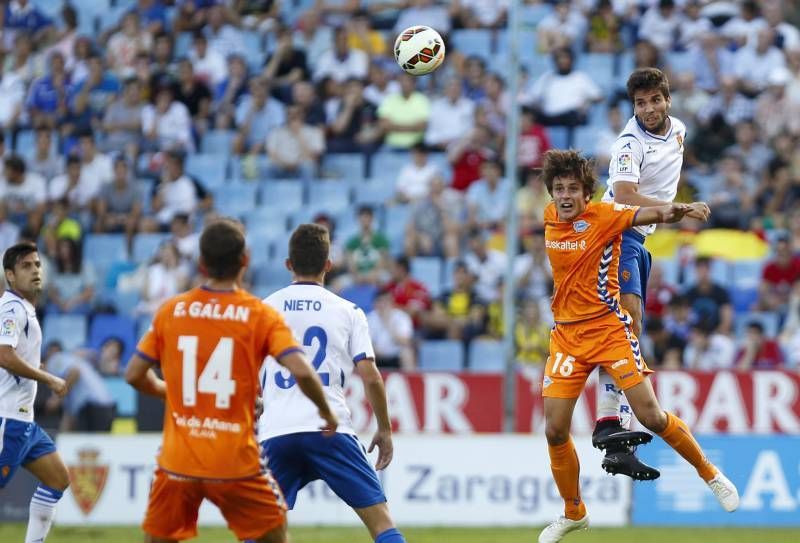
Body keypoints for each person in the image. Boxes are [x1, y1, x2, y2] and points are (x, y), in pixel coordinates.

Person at [537, 150, 737, 543]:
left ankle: (709, 474)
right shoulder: (548, 216)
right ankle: (574, 512)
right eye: (558, 188)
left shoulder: (605, 217)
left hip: (607, 330)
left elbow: (653, 215)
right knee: (555, 430)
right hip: (566, 337)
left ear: (586, 194)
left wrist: (682, 208)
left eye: (573, 189)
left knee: (652, 416)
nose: (564, 196)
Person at [125, 218, 338, 543]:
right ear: (245, 261)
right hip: (235, 461)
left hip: (178, 460)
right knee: (276, 536)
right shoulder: (259, 314)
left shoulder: (172, 310)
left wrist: (172, 393)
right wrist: (326, 411)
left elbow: (134, 374)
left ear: (201, 263)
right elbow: (301, 369)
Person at [593, 67, 711, 480]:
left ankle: (614, 419)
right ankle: (614, 421)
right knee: (625, 323)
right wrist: (676, 209)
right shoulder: (628, 143)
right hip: (617, 234)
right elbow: (624, 197)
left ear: (667, 100)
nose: (647, 110)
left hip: (640, 239)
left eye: (654, 100)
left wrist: (667, 210)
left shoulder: (677, 130)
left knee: (630, 326)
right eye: (639, 103)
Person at [258, 223, 407, 543]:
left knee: (259, 530)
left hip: (276, 431)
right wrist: (384, 429)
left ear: (288, 264)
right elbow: (370, 375)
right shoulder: (348, 311)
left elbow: (244, 372)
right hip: (331, 430)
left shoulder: (264, 309)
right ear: (329, 264)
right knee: (382, 525)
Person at [0, 241, 69, 543]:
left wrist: (32, 363)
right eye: (26, 266)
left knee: (58, 479)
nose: (36, 271)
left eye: (38, 265)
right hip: (8, 419)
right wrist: (48, 378)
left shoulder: (25, 308)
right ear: (10, 275)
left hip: (26, 424)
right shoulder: (11, 307)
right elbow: (4, 355)